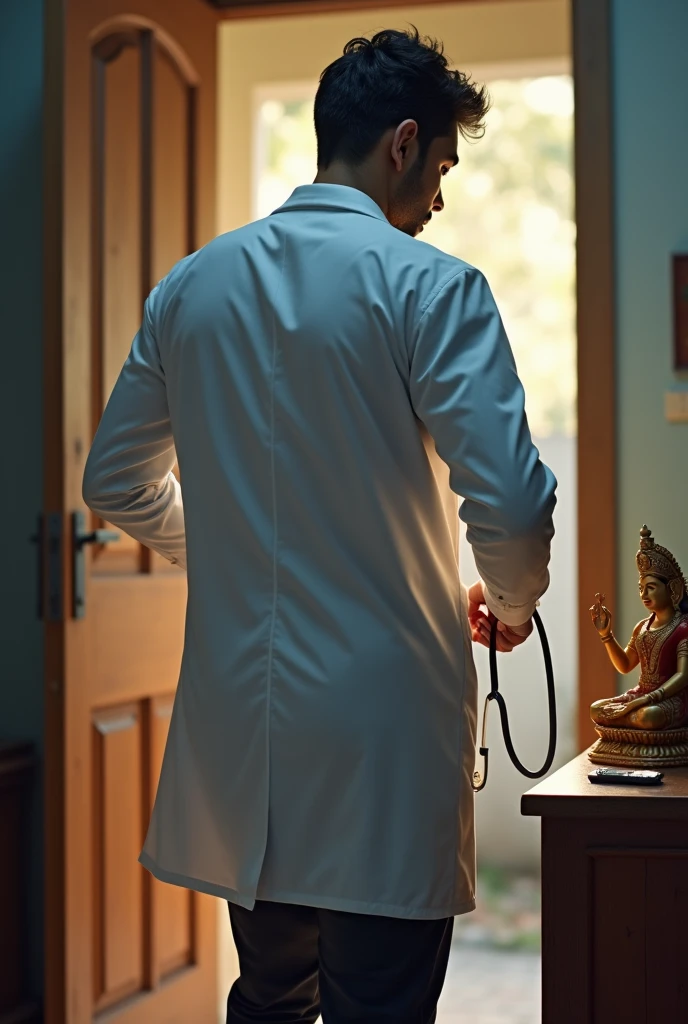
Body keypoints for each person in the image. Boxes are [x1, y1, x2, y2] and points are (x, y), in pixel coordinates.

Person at [82, 26, 556, 1024]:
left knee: (268, 997)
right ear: (403, 143)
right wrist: (508, 602)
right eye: (441, 169)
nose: (438, 199)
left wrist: (227, 549)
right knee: (379, 1005)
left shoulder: (191, 287)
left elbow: (114, 482)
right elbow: (509, 501)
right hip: (379, 733)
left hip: (247, 743)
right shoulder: (430, 286)